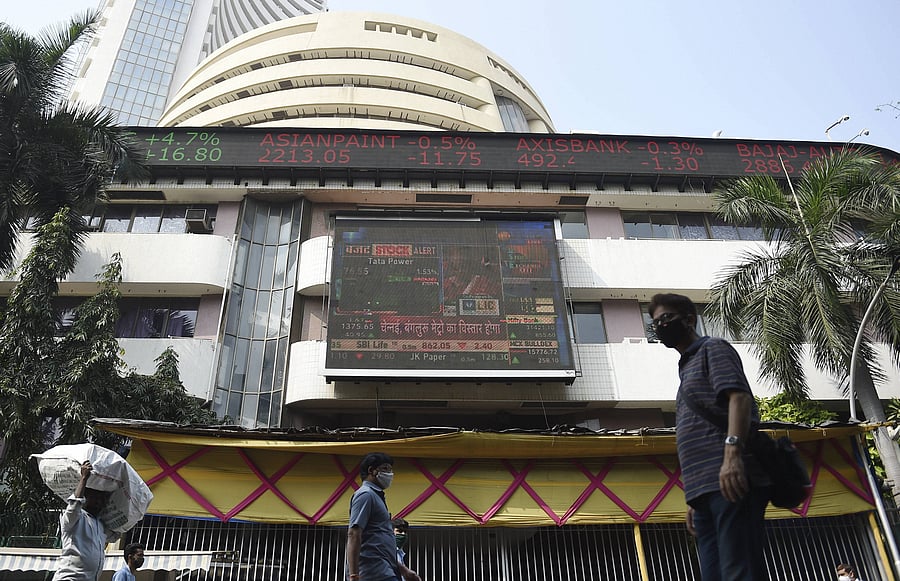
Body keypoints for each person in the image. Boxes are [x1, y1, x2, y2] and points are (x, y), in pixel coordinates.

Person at [648, 293, 770, 581]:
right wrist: (692, 499)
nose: (661, 326)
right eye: (655, 323)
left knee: (740, 571)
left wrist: (732, 455)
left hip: (730, 480)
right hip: (702, 491)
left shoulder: (713, 349)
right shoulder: (686, 367)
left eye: (667, 318)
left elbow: (738, 398)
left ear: (690, 319)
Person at [55, 460, 120, 581]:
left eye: (102, 500)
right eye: (96, 498)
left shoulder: (100, 525)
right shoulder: (75, 519)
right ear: (86, 497)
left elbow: (115, 535)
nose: (99, 503)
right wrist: (84, 478)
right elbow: (74, 505)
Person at [346, 452, 402, 581]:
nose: (390, 474)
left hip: (383, 570)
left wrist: (403, 570)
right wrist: (353, 575)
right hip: (373, 573)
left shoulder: (376, 496)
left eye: (390, 470)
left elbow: (379, 542)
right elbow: (354, 533)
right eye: (385, 469)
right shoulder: (365, 495)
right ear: (371, 470)